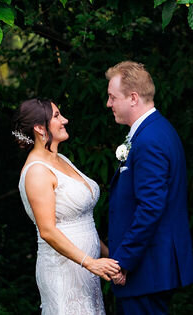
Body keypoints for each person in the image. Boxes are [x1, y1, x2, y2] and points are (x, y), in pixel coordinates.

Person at [15, 98, 121, 314]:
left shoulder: (61, 158)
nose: (65, 120)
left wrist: (107, 255)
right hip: (63, 272)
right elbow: (48, 231)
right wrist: (90, 262)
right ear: (39, 128)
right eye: (56, 116)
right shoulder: (37, 171)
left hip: (86, 271)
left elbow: (79, 223)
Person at [105, 61, 193, 314]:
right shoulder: (153, 131)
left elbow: (151, 207)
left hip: (147, 268)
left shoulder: (150, 140)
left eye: (113, 97)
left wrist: (124, 261)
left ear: (133, 98)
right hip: (151, 268)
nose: (109, 104)